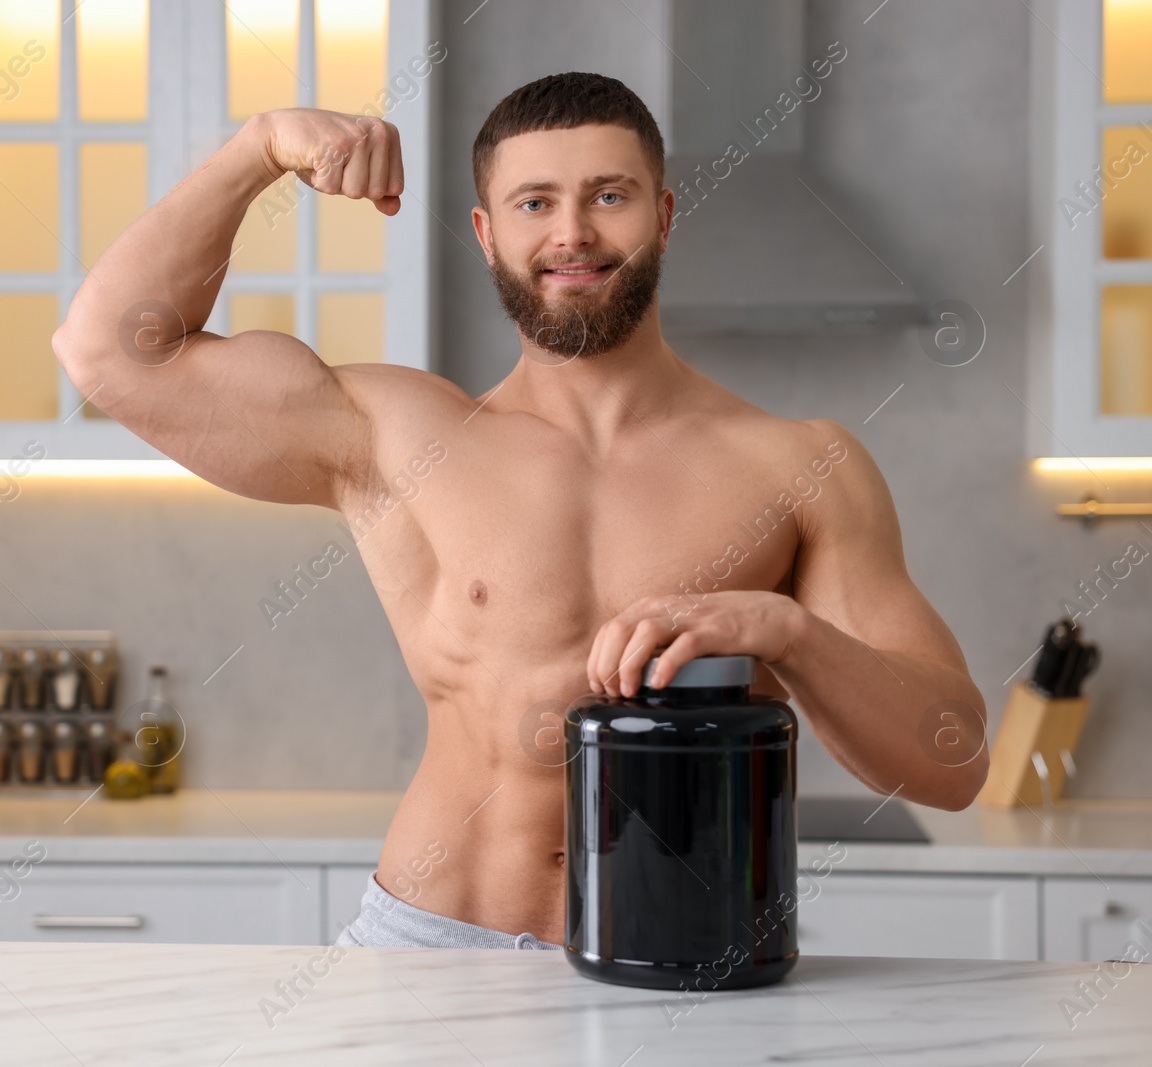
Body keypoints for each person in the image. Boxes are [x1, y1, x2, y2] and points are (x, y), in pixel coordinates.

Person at [50, 72, 988, 949]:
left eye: (608, 196)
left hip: (678, 966)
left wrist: (786, 630)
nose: (572, 233)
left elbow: (954, 764)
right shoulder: (400, 432)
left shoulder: (804, 466)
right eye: (535, 202)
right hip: (430, 949)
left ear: (663, 217)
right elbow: (109, 352)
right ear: (487, 232)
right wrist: (257, 149)